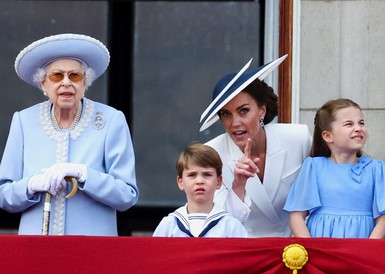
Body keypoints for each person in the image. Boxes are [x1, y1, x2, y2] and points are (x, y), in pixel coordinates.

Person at [0, 33, 139, 235]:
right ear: (43, 84)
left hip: (92, 249)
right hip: (36, 249)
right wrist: (30, 185)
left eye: (75, 76)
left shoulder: (111, 120)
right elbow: (3, 195)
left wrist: (84, 174)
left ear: (85, 83)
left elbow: (127, 195)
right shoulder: (24, 121)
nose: (66, 82)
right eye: (57, 76)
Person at [200, 56, 311, 237]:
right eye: (226, 114)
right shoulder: (212, 154)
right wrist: (238, 185)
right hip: (245, 252)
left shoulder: (298, 138)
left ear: (262, 110)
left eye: (243, 111)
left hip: (297, 248)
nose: (235, 122)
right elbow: (220, 224)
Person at [284, 98, 385, 238]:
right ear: (328, 136)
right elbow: (297, 217)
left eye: (361, 123)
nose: (358, 128)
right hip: (321, 248)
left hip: (361, 248)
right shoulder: (313, 167)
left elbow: (383, 220)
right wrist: (311, 249)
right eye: (349, 124)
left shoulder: (376, 169)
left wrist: (368, 251)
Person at [153, 143, 247, 238]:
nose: (199, 181)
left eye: (207, 175)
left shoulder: (231, 226)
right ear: (180, 182)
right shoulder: (168, 225)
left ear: (218, 182)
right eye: (192, 175)